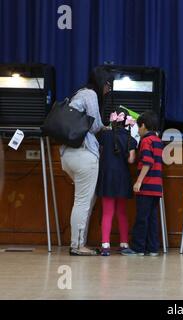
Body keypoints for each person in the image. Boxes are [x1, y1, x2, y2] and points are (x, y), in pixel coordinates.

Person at [60, 67, 113, 256]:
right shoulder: (90, 94)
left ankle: (79, 243)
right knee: (83, 201)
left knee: (84, 200)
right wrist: (107, 127)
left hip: (68, 155)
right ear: (101, 82)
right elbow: (95, 124)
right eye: (108, 84)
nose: (108, 89)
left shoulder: (78, 94)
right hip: (83, 155)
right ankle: (77, 245)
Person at [121, 111, 163, 257]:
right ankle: (152, 248)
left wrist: (139, 181)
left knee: (141, 218)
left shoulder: (146, 141)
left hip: (146, 185)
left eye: (139, 127)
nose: (138, 130)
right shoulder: (158, 140)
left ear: (144, 125)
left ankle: (138, 248)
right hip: (157, 187)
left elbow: (147, 161)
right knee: (152, 218)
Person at [97, 107, 137, 256]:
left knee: (107, 212)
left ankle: (105, 245)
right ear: (127, 123)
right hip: (122, 178)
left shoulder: (104, 135)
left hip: (107, 177)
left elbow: (99, 151)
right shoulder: (130, 139)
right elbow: (131, 160)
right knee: (122, 212)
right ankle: (124, 243)